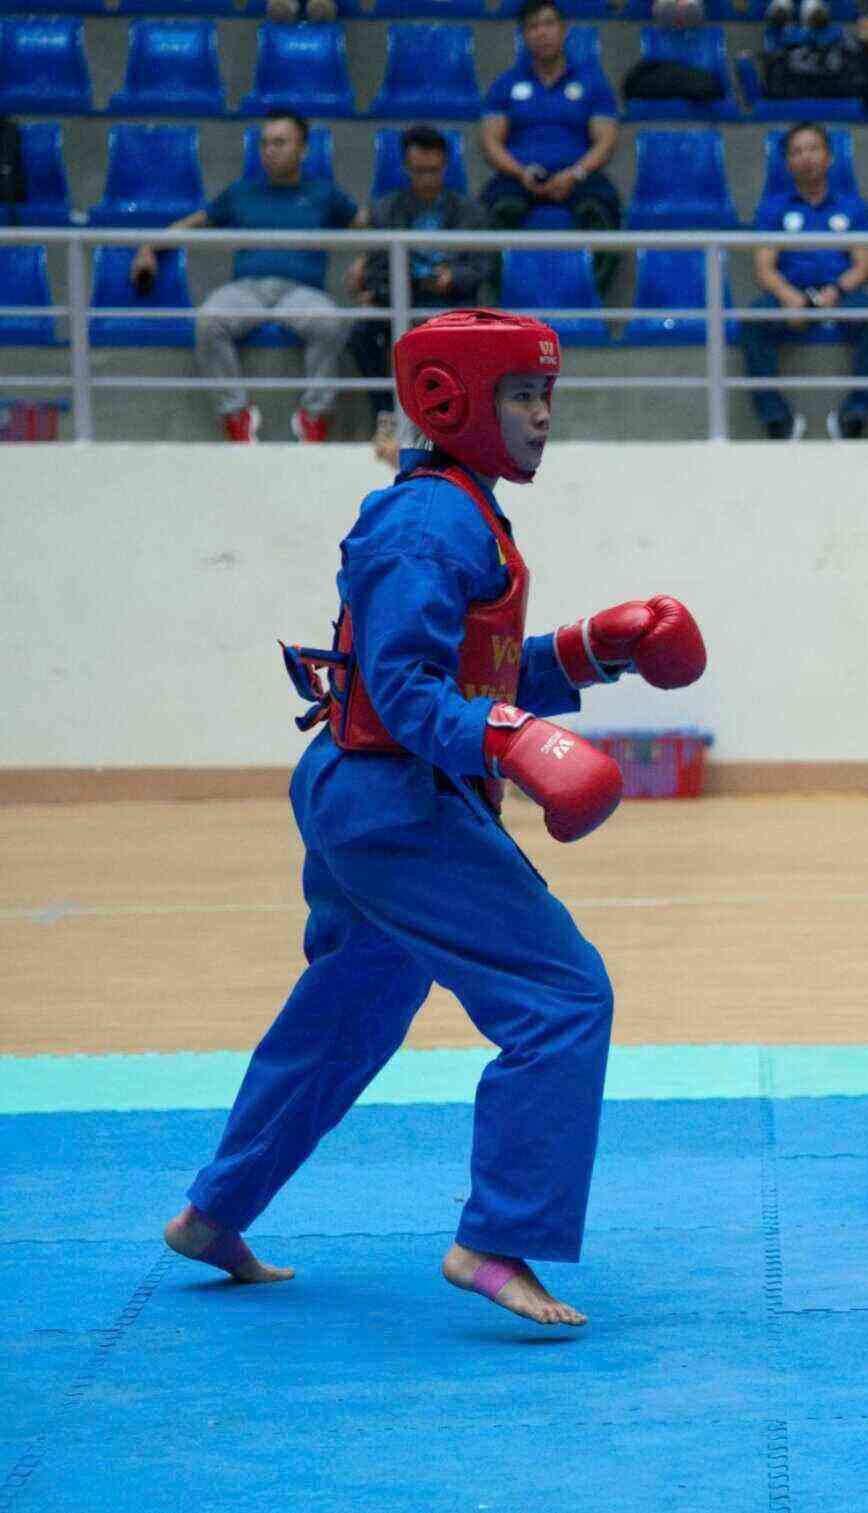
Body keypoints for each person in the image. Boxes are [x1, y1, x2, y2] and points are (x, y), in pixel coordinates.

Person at [160, 309, 710, 1328]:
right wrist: (518, 745)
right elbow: (408, 693)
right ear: (453, 401)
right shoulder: (430, 520)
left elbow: (472, 675)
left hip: (365, 792)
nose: (544, 415)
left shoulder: (460, 507)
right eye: (522, 397)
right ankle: (496, 1239)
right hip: (396, 802)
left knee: (349, 1009)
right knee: (562, 996)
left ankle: (214, 1210)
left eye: (548, 394)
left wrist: (593, 650)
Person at [131, 113, 357, 444]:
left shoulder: (324, 195)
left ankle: (314, 417)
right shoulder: (242, 192)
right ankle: (237, 416)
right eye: (265, 143)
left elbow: (368, 228)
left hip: (301, 292)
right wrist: (149, 246)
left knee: (329, 322)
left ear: (303, 149)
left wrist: (367, 259)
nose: (270, 151)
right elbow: (195, 223)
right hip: (248, 290)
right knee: (209, 321)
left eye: (280, 142)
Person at [345, 125, 489, 441]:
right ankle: (386, 412)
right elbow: (376, 268)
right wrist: (392, 286)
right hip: (400, 298)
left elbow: (479, 268)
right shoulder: (386, 210)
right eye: (419, 171)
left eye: (433, 171)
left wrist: (453, 278)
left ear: (445, 167)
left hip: (449, 301)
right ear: (407, 168)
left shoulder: (469, 212)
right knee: (361, 332)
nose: (426, 178)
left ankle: (457, 421)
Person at [745, 122, 868, 441]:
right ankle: (776, 417)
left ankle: (856, 413)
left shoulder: (853, 207)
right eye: (797, 151)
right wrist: (788, 296)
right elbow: (764, 268)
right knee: (754, 320)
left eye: (813, 149)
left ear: (829, 157)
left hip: (841, 293)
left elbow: (864, 265)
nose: (806, 157)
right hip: (790, 293)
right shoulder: (772, 209)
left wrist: (836, 291)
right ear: (787, 162)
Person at [480, 0, 622, 297]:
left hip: (581, 177)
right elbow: (491, 142)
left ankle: (590, 299)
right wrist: (520, 173)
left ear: (563, 30)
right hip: (518, 177)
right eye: (533, 27)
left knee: (602, 210)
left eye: (548, 24)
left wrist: (575, 173)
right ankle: (500, 303)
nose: (542, 33)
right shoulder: (506, 84)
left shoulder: (592, 82)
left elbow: (606, 140)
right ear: (523, 35)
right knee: (493, 213)